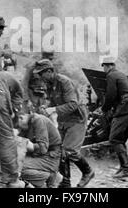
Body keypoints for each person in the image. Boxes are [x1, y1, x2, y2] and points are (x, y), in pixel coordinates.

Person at [33, 59, 94, 188]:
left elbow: (73, 104)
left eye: (41, 73)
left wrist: (53, 109)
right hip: (64, 119)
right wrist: (45, 106)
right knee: (59, 149)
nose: (39, 76)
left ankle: (88, 171)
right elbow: (51, 100)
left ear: (49, 71)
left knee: (69, 150)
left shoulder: (64, 82)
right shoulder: (48, 83)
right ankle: (65, 184)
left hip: (76, 119)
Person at [100, 56, 128, 178]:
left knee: (115, 139)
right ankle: (124, 167)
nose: (104, 70)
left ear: (108, 66)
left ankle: (127, 170)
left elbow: (111, 94)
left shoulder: (111, 75)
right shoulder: (121, 74)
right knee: (120, 139)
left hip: (124, 107)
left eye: (104, 67)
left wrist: (104, 109)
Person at [16, 112, 62, 187]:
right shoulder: (27, 124)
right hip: (39, 156)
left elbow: (42, 148)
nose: (18, 128)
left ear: (21, 118)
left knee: (17, 167)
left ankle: (50, 176)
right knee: (12, 163)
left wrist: (26, 144)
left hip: (50, 157)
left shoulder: (38, 121)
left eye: (17, 125)